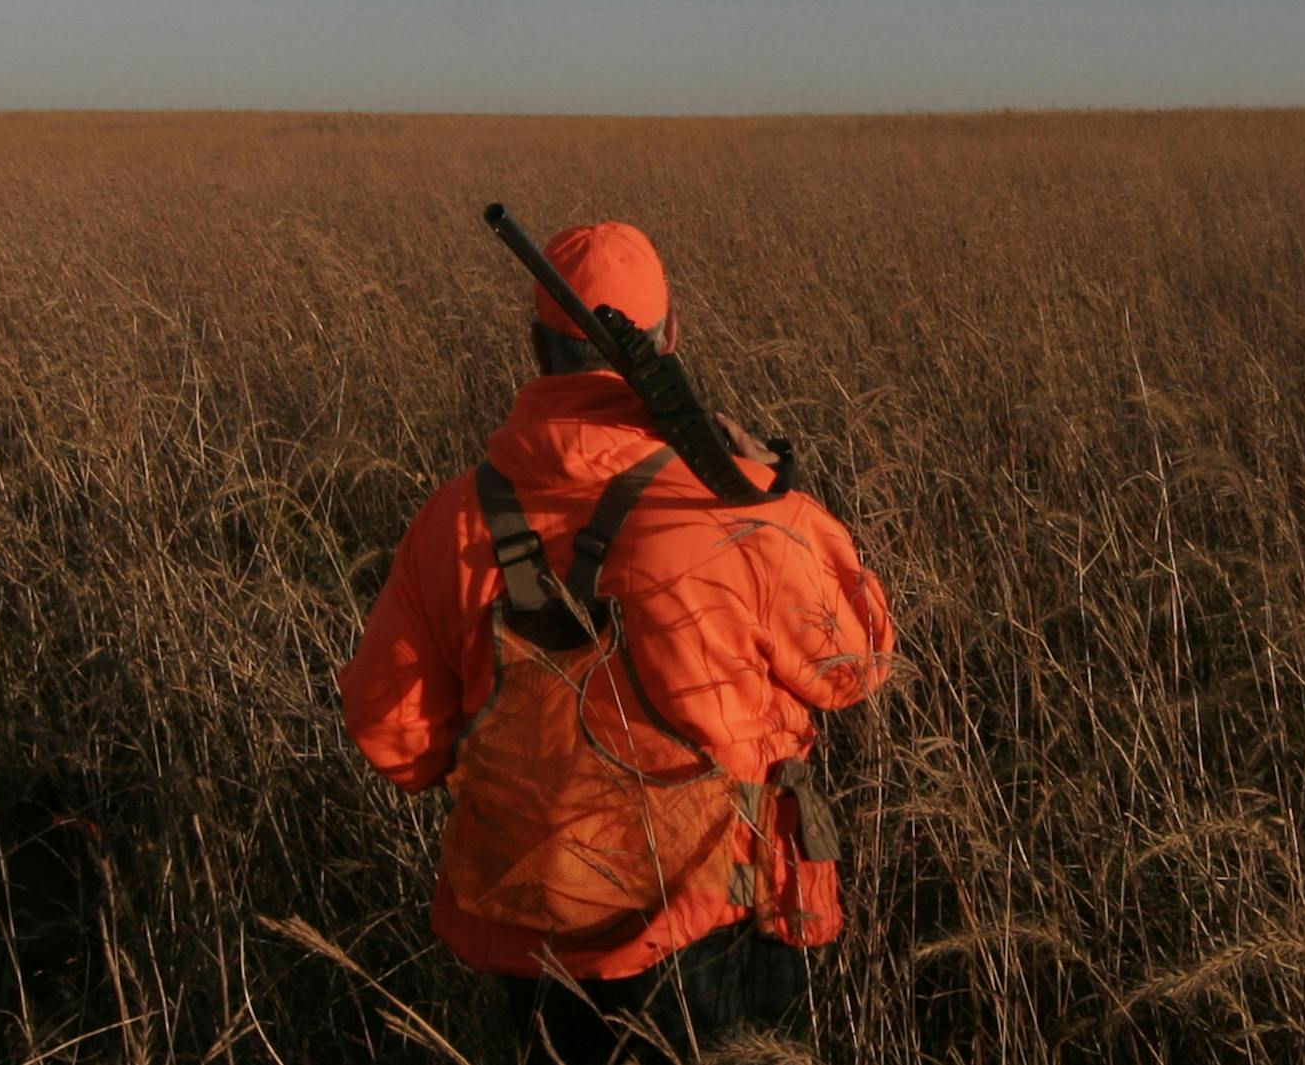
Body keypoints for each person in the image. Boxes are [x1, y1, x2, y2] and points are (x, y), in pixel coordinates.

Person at [338, 221, 896, 1064]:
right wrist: (785, 500)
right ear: (671, 339)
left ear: (535, 347)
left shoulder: (454, 517)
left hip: (534, 936)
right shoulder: (736, 508)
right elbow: (855, 666)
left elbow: (395, 741)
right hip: (720, 921)